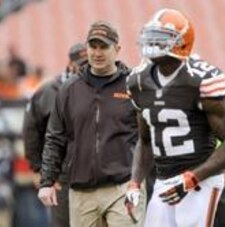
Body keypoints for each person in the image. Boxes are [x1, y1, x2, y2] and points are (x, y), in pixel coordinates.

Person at [125, 8, 225, 227]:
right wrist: (135, 183)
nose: (152, 42)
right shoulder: (138, 82)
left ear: (182, 43)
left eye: (161, 38)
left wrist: (193, 177)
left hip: (201, 181)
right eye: (151, 36)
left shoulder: (199, 81)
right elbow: (145, 141)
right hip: (164, 181)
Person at [38, 21, 145, 227]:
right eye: (92, 46)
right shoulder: (69, 89)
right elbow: (55, 137)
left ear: (117, 49)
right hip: (81, 190)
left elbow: (147, 137)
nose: (97, 52)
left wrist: (139, 180)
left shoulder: (134, 86)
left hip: (123, 186)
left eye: (103, 46)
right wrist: (47, 181)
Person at [23, 42, 87, 227]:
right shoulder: (47, 91)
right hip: (61, 174)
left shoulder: (94, 87)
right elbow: (30, 131)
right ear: (70, 63)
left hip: (93, 171)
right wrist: (39, 170)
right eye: (81, 64)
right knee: (63, 222)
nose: (84, 68)